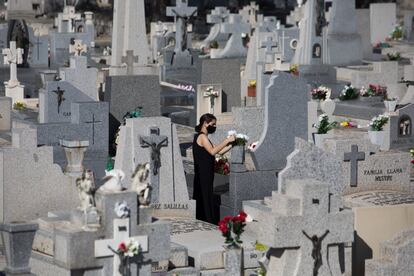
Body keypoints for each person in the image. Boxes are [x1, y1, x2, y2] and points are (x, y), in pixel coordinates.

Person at [193, 113, 235, 224]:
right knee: (204, 194)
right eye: (213, 124)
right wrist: (227, 140)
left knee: (206, 194)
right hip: (203, 173)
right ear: (205, 123)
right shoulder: (202, 137)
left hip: (207, 172)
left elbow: (218, 152)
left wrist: (232, 144)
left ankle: (205, 218)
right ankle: (207, 219)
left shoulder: (204, 137)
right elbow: (213, 151)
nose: (214, 127)